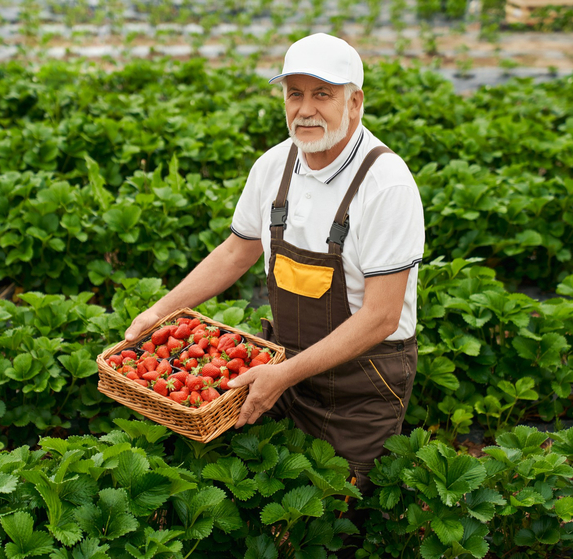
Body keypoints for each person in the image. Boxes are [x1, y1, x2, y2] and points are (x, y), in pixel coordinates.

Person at [125, 32, 424, 552]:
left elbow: (380, 315)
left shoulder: (387, 184)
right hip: (281, 367)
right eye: (294, 93)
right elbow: (234, 252)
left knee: (335, 523)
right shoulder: (274, 166)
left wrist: (282, 375)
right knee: (273, 510)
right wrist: (159, 312)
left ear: (355, 102)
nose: (305, 110)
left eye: (322, 94)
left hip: (361, 384)